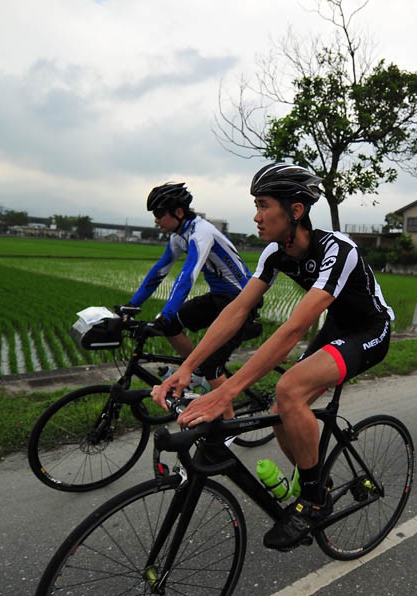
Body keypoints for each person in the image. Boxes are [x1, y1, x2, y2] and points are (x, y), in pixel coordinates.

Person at [152, 162, 394, 551]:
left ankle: (313, 499)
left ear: (295, 210)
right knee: (283, 407)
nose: (256, 215)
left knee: (289, 387)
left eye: (264, 205)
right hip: (336, 331)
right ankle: (314, 477)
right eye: (255, 205)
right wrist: (187, 367)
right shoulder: (275, 252)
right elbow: (236, 310)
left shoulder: (338, 250)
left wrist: (226, 392)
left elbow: (294, 328)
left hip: (369, 330)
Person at [127, 182, 255, 416]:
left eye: (158, 214)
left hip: (243, 300)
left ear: (178, 212)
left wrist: (165, 313)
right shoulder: (178, 236)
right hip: (220, 297)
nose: (156, 220)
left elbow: (188, 276)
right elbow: (159, 272)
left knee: (211, 365)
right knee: (174, 325)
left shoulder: (201, 232)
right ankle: (194, 371)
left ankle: (227, 425)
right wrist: (132, 304)